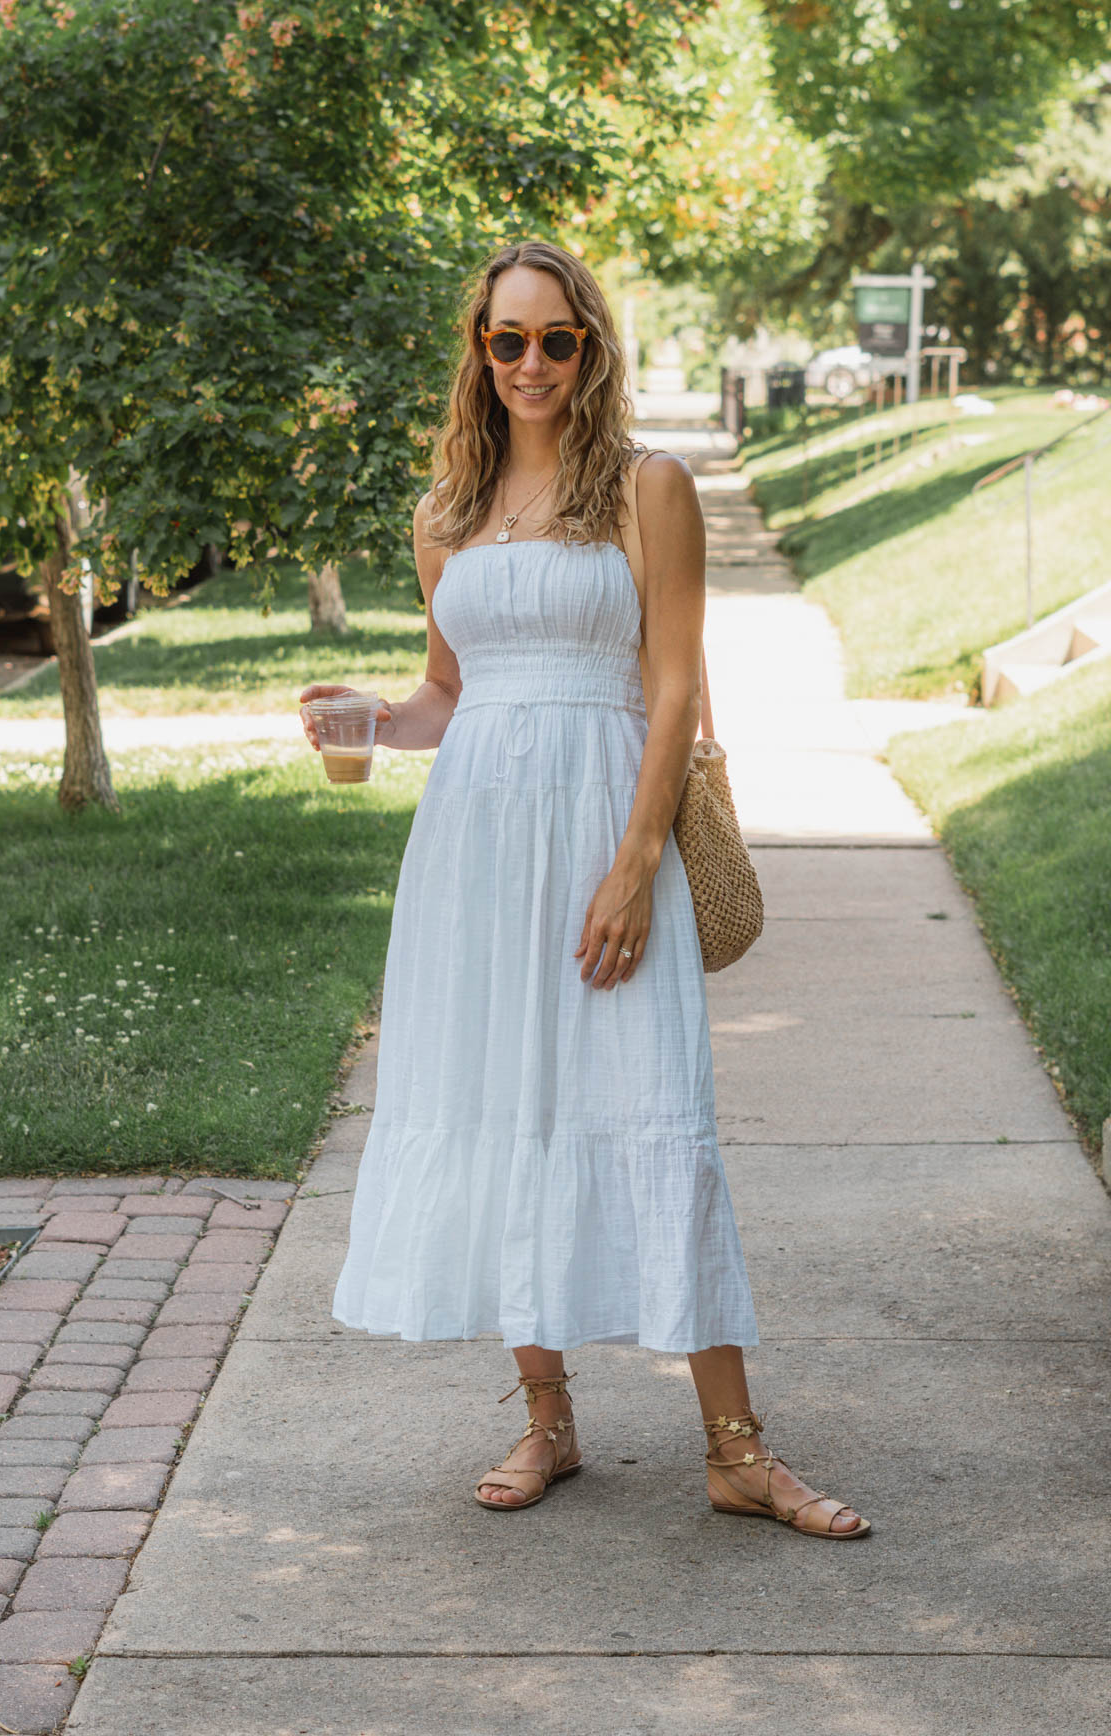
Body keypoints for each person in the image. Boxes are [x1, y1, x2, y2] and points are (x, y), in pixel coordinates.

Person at [300, 239, 869, 1538]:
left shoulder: (647, 490)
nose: (533, 363)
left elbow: (673, 686)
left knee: (656, 1108)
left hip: (610, 835)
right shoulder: (447, 514)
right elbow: (447, 696)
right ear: (480, 355)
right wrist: (366, 718)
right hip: (475, 859)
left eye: (558, 339)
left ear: (592, 348)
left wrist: (634, 863)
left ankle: (738, 1452)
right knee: (501, 1112)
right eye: (509, 341)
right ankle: (547, 1419)